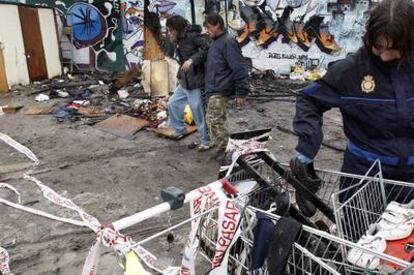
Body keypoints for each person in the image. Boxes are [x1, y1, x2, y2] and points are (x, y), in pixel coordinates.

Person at [290, 0, 414, 218]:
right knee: (357, 241)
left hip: (410, 180)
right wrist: (307, 147)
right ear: (368, 38)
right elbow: (309, 100)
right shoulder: (349, 72)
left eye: (393, 50)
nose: (384, 56)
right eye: (378, 47)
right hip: (363, 178)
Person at [203, 13, 249, 162]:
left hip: (221, 88)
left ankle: (228, 153)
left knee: (215, 120)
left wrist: (241, 92)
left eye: (208, 27)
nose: (207, 31)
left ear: (217, 25)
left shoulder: (228, 42)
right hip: (215, 87)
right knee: (214, 120)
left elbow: (239, 67)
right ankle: (223, 148)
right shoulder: (216, 42)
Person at [166, 15, 212, 151]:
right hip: (184, 80)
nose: (170, 32)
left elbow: (208, 49)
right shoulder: (178, 39)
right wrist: (172, 41)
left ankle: (206, 140)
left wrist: (192, 60)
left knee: (198, 112)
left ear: (177, 28)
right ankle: (180, 130)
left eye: (171, 30)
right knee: (173, 103)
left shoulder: (193, 36)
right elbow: (170, 54)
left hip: (196, 80)